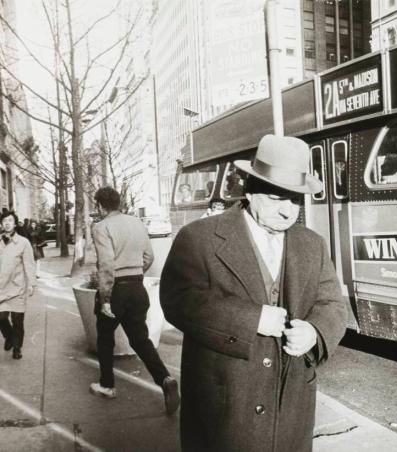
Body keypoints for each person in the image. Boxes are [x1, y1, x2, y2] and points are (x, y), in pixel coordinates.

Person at [161, 134, 347, 451]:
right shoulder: (199, 238)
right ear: (250, 189)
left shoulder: (312, 245)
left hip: (291, 412)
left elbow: (333, 305)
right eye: (277, 198)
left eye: (296, 199)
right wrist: (251, 320)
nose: (289, 211)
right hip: (224, 410)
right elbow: (177, 300)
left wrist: (315, 332)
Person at [87, 187, 179, 413]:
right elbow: (149, 256)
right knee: (140, 340)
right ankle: (165, 379)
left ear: (100, 206)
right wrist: (136, 273)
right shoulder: (137, 223)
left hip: (115, 289)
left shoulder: (101, 227)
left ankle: (107, 385)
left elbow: (107, 264)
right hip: (137, 288)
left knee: (105, 338)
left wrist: (106, 297)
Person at [0, 211, 36, 360]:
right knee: (1, 318)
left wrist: (31, 283)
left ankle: (17, 348)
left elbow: (29, 264)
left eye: (10, 220)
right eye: (4, 221)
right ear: (1, 224)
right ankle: (8, 337)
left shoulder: (23, 242)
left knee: (17, 321)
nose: (7, 223)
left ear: (15, 224)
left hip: (17, 287)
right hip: (1, 288)